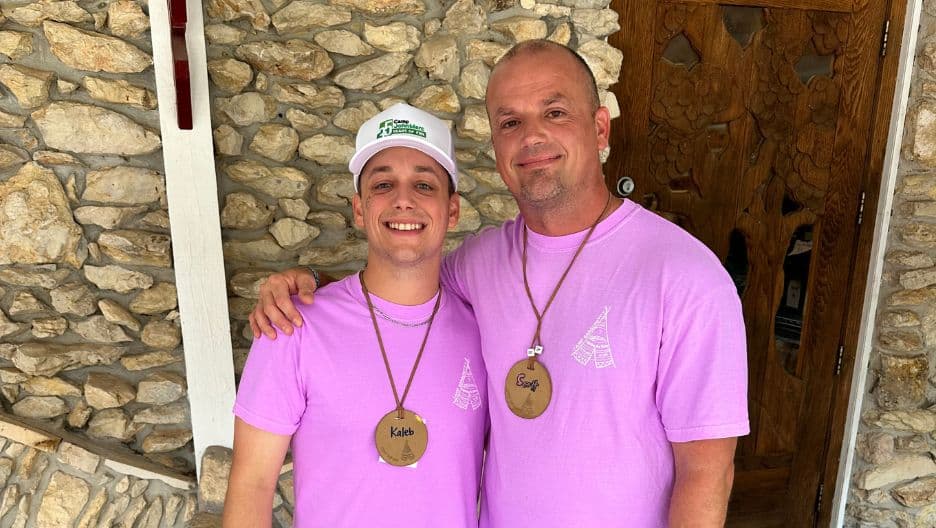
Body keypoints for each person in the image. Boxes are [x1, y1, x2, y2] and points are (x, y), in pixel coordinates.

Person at [250, 40, 748, 527]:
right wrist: (310, 285)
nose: (532, 136)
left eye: (555, 112)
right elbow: (399, 286)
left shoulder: (686, 276)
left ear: (600, 128)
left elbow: (707, 473)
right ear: (496, 146)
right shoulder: (481, 262)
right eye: (510, 122)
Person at [223, 103, 488, 527]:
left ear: (452, 210)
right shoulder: (292, 325)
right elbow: (251, 486)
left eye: (424, 185)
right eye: (383, 184)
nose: (404, 200)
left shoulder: (484, 333)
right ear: (360, 209)